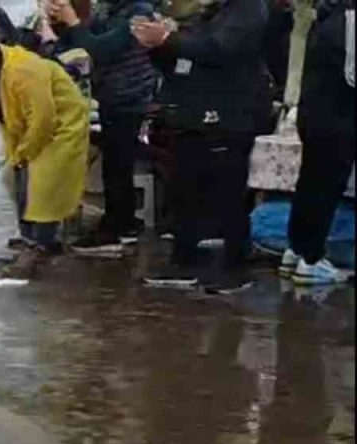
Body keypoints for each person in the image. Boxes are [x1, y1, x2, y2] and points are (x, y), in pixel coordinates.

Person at [132, 0, 270, 286]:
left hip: (231, 116)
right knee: (185, 190)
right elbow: (183, 58)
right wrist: (157, 45)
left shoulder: (249, 9)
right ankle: (184, 260)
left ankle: (234, 268)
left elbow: (220, 50)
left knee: (229, 193)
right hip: (191, 116)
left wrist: (169, 38)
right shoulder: (208, 13)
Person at [0, 29, 91, 255]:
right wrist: (18, 154)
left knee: (42, 183)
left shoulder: (22, 70)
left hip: (62, 127)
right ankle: (29, 237)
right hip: (35, 130)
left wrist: (24, 153)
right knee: (14, 178)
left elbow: (43, 118)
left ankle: (45, 243)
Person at [48, 0, 158, 247]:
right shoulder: (111, 10)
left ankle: (119, 228)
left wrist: (73, 20)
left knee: (119, 165)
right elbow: (82, 40)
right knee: (114, 165)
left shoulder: (139, 13)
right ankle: (121, 220)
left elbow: (101, 50)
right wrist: (61, 23)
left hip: (130, 99)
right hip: (111, 97)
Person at [280, 0, 354, 285]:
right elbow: (352, 74)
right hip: (337, 118)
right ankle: (311, 259)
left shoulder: (322, 18)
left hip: (314, 113)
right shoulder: (349, 19)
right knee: (325, 187)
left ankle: (296, 250)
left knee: (310, 183)